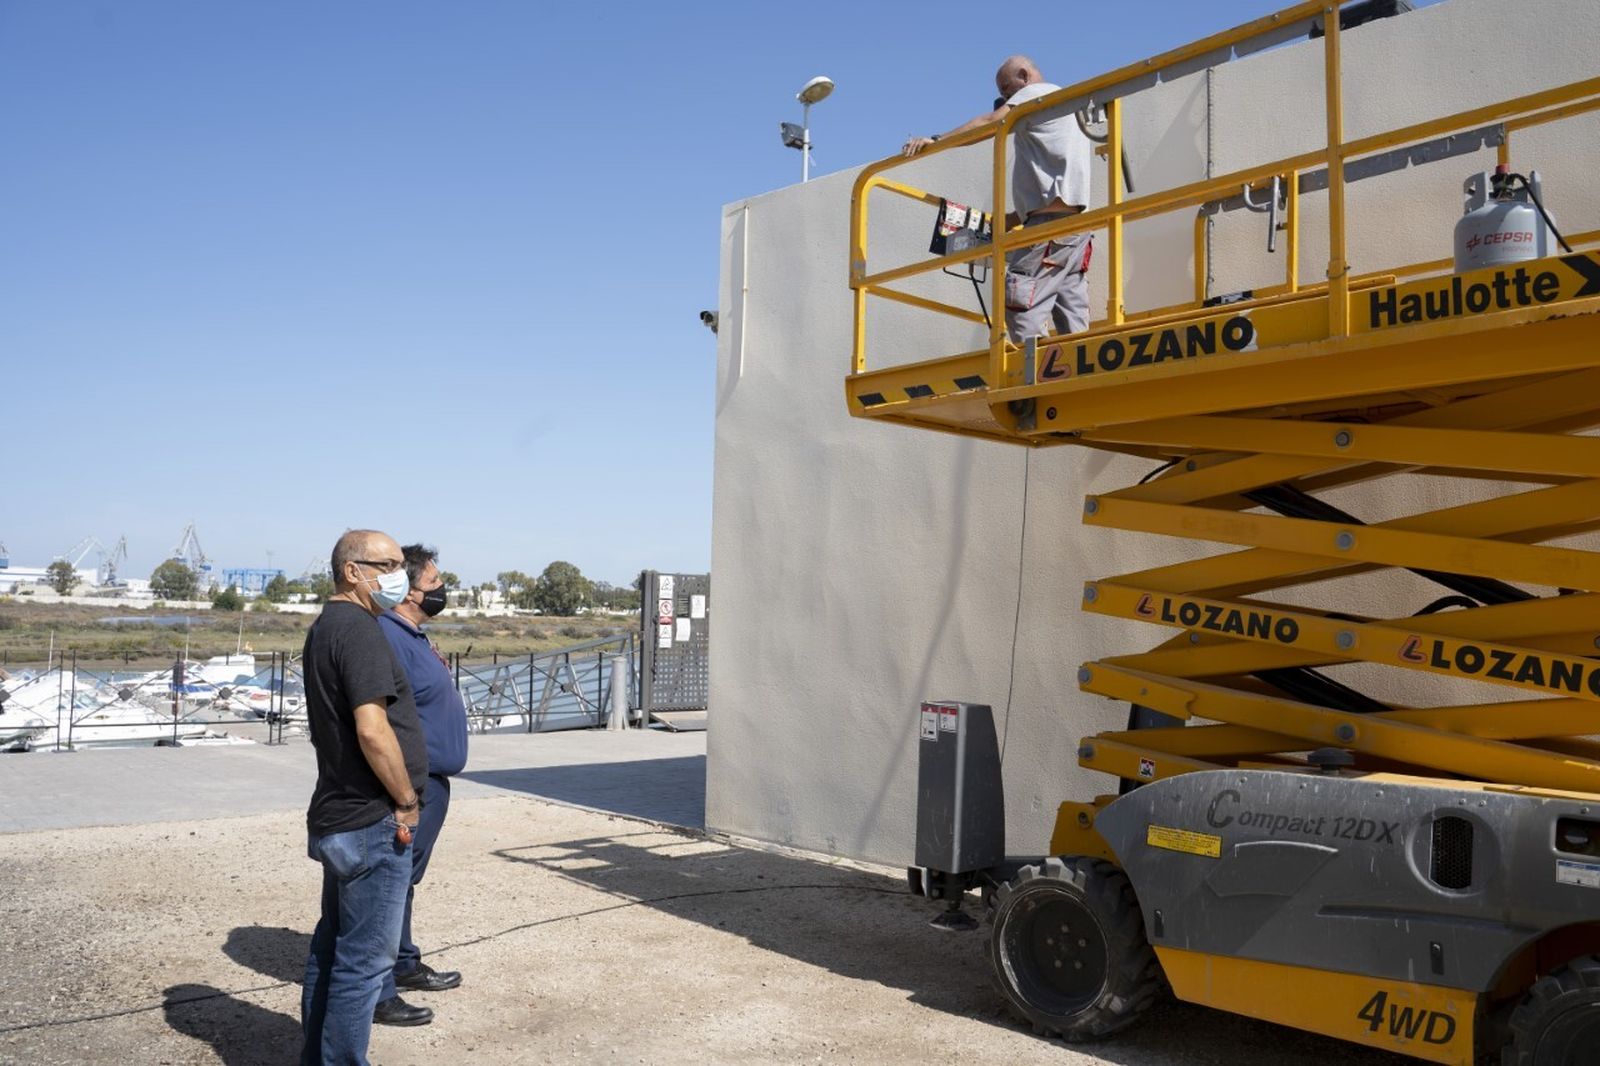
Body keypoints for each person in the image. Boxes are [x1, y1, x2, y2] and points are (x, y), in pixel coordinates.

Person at [300, 529, 431, 1063]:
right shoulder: (358, 631)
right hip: (371, 819)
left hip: (340, 814)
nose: (399, 575)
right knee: (364, 964)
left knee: (331, 950)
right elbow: (373, 731)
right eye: (389, 565)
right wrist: (406, 801)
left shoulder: (329, 626)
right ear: (353, 571)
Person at [902, 55, 1094, 341]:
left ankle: (1031, 368)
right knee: (1072, 317)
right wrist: (1013, 219)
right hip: (1076, 230)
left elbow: (990, 121)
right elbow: (1055, 181)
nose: (1005, 98)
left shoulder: (1035, 93)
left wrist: (937, 140)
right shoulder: (1063, 105)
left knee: (1021, 306)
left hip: (1048, 230)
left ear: (1024, 76)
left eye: (1006, 88)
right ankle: (1076, 365)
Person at [373, 544, 470, 1021]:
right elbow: (381, 720)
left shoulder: (412, 635)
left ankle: (404, 963)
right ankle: (379, 989)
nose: (441, 589)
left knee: (404, 880)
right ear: (410, 592)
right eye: (433, 583)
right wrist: (403, 792)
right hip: (413, 784)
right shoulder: (388, 636)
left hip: (432, 782)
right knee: (389, 882)